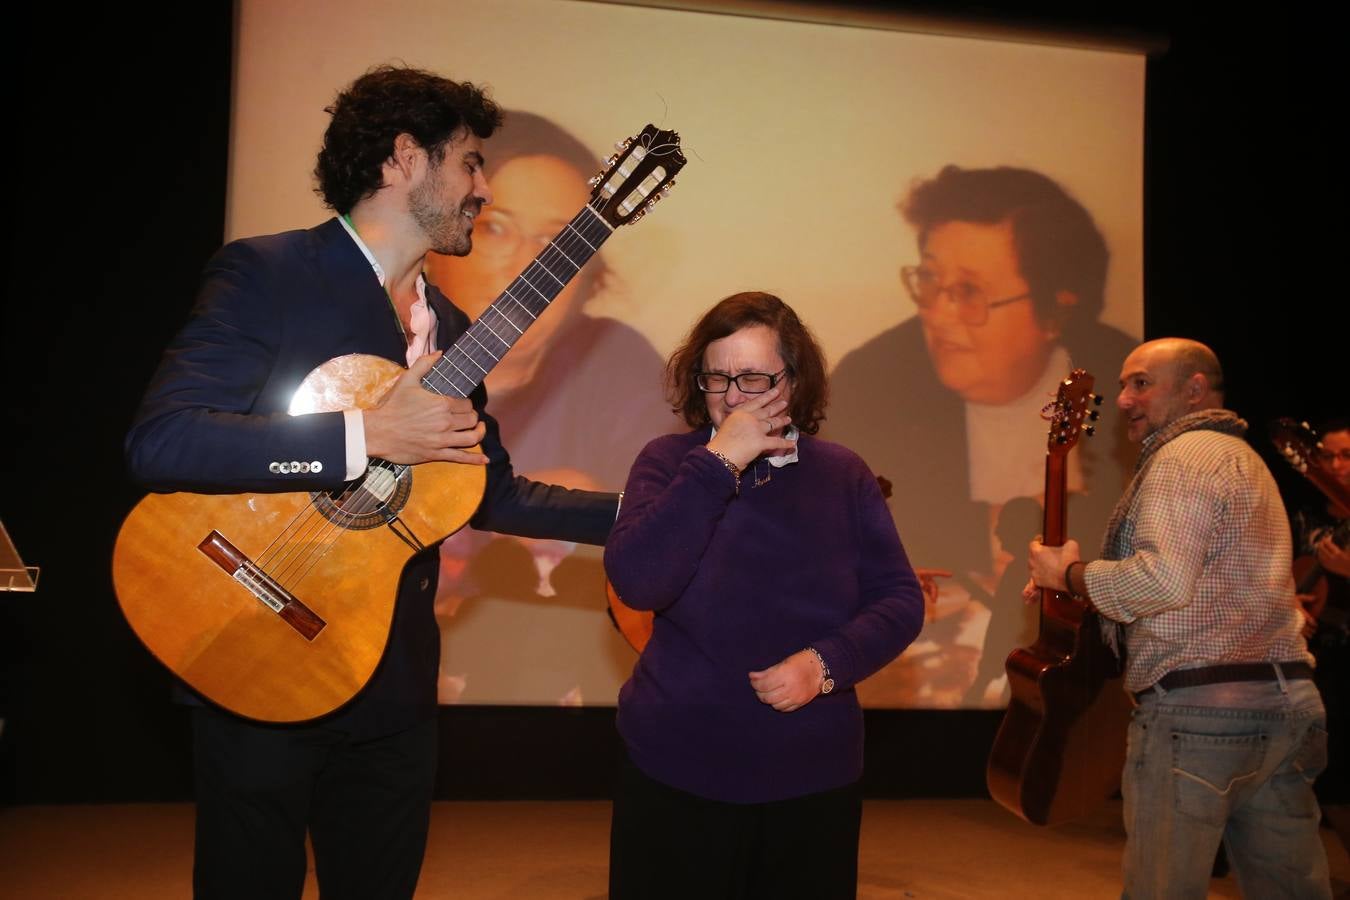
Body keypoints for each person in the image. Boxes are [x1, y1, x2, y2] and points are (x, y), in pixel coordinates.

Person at [124, 66, 619, 899]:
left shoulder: (456, 331)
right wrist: (361, 436)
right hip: (258, 641)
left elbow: (491, 492)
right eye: (469, 163)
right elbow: (163, 440)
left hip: (391, 687)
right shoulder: (270, 274)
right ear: (402, 160)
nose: (483, 189)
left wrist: (656, 505)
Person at [603, 292, 925, 899]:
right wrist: (718, 460)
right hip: (673, 764)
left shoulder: (842, 474)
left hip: (811, 773)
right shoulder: (669, 462)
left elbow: (899, 600)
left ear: (794, 381)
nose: (731, 396)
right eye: (717, 376)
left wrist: (826, 665)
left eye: (753, 378)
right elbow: (639, 580)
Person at [1025, 338, 1331, 898]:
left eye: (1141, 383)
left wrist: (1067, 576)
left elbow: (1162, 582)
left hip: (1200, 717)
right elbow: (1204, 587)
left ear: (1194, 390)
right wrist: (1080, 584)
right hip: (1287, 709)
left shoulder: (1182, 458)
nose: (1121, 399)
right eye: (1122, 385)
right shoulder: (1247, 461)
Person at [827, 165, 1135, 707]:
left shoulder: (1123, 379)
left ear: (1056, 306)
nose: (939, 316)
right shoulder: (871, 382)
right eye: (929, 282)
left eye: (968, 292)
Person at [423, 112, 674, 703]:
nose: (529, 268)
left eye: (558, 244)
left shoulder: (621, 370)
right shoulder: (385, 345)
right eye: (498, 229)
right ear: (446, 239)